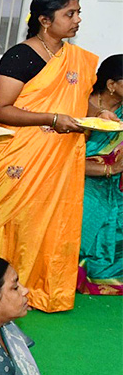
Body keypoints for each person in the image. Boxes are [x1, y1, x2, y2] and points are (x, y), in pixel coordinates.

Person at [0, 0, 103, 312]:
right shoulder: (19, 56)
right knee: (15, 223)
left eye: (78, 13)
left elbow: (79, 103)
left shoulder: (75, 60)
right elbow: (2, 110)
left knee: (51, 222)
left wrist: (99, 112)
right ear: (44, 21)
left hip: (61, 156)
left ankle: (38, 289)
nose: (77, 20)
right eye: (70, 14)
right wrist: (50, 119)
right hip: (20, 154)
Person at [78, 53, 123, 295]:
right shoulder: (81, 107)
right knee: (90, 208)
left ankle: (111, 277)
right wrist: (110, 169)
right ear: (111, 85)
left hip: (118, 184)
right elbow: (67, 159)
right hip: (81, 179)